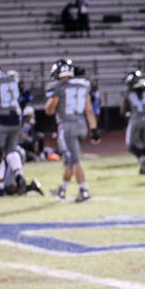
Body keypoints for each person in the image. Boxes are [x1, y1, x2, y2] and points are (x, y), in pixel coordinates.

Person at [45, 59, 99, 202]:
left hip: (67, 126)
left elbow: (49, 110)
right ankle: (62, 189)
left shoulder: (58, 87)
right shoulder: (83, 85)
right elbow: (89, 110)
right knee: (70, 160)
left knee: (74, 160)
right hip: (82, 125)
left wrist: (51, 103)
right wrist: (94, 130)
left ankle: (84, 191)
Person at [0, 62, 30, 196]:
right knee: (12, 151)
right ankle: (19, 175)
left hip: (0, 120)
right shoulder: (12, 76)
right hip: (15, 119)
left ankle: (0, 188)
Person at [123, 70, 145, 174]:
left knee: (131, 144)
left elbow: (124, 109)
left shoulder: (130, 93)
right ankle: (144, 159)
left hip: (136, 118)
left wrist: (127, 115)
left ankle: (141, 158)